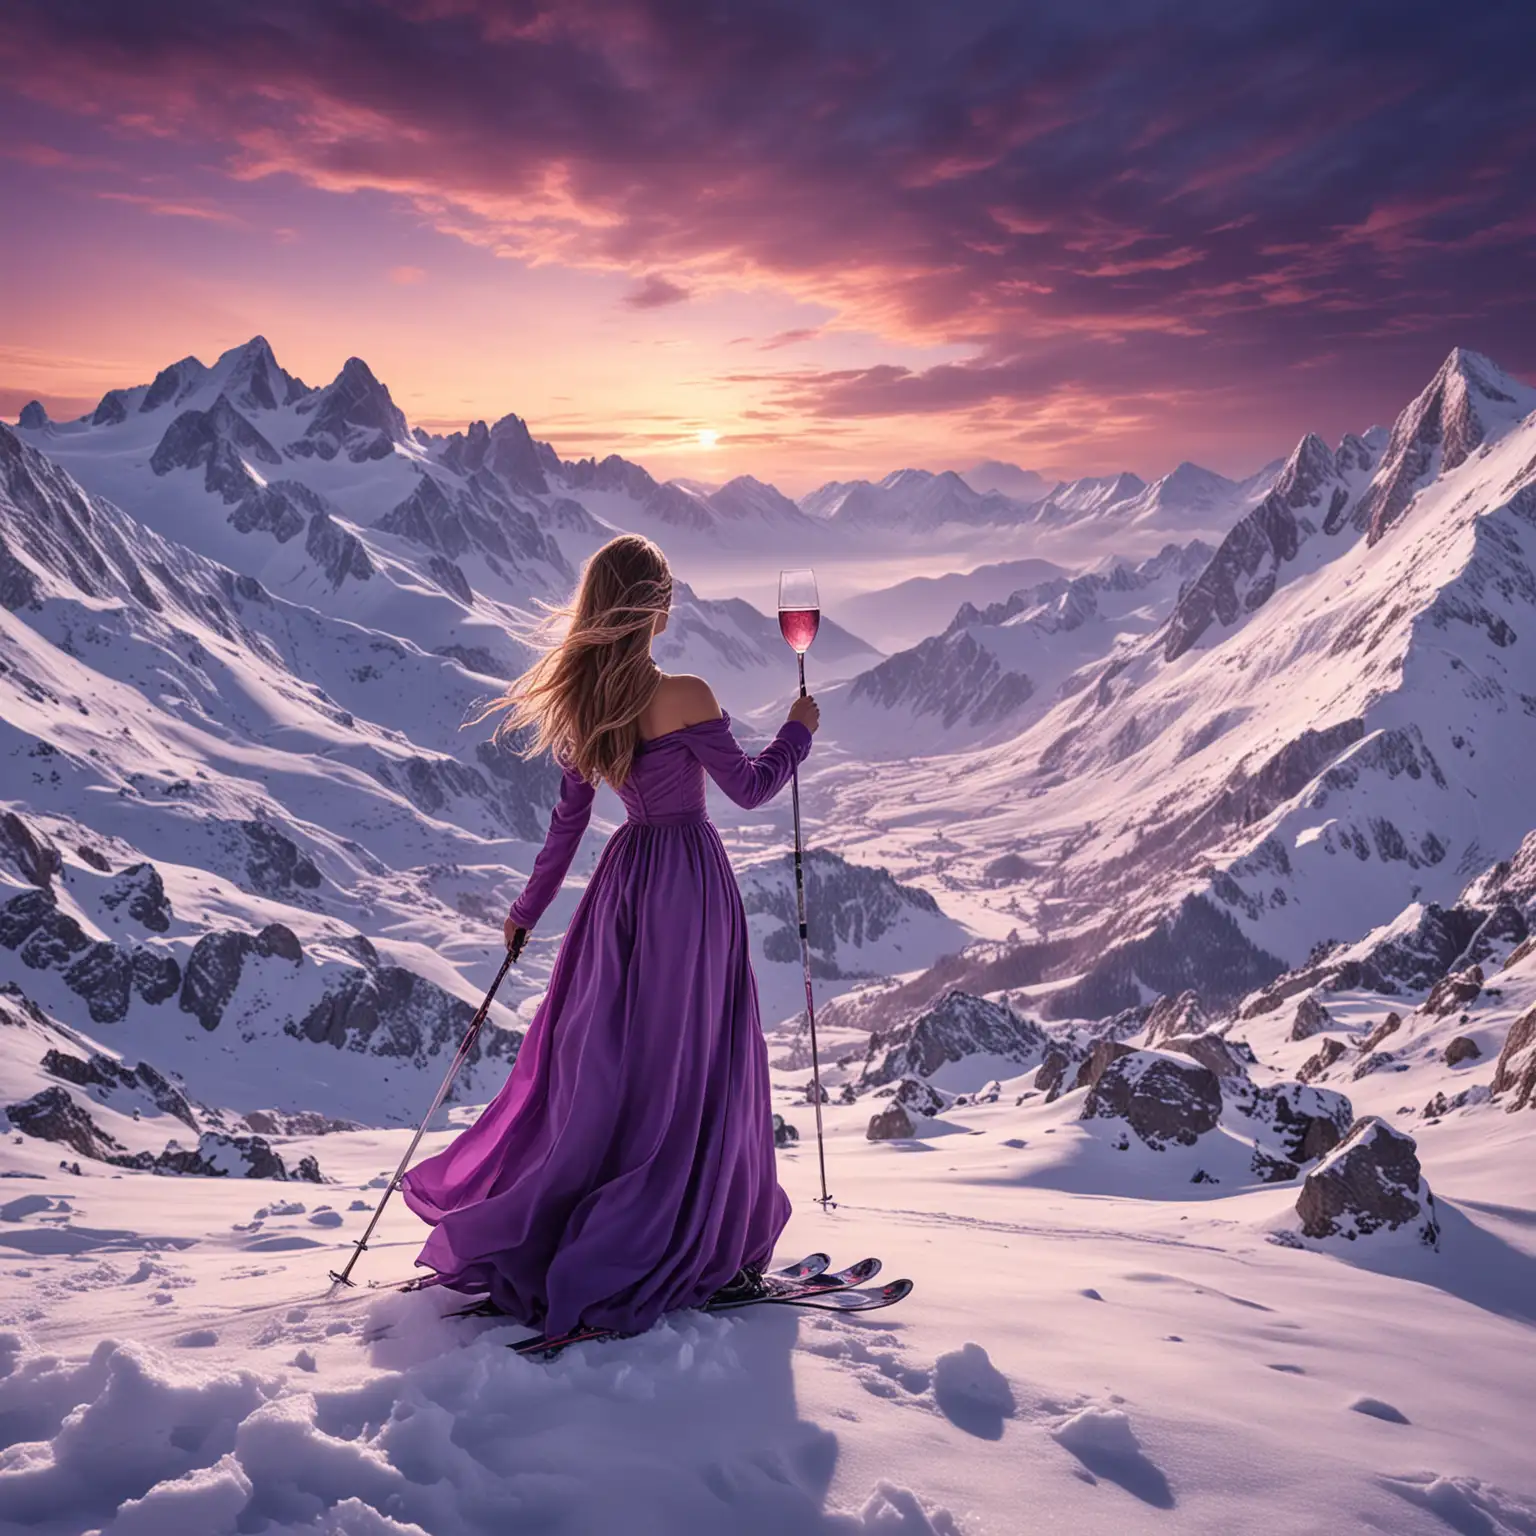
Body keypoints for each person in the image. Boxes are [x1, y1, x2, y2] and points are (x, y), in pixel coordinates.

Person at [401, 533, 820, 1338]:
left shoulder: (588, 704)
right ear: (654, 608)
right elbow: (753, 790)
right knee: (698, 1058)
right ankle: (700, 1231)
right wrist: (798, 728)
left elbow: (567, 826)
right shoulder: (687, 694)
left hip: (624, 889)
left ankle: (583, 1211)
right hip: (690, 891)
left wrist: (526, 911)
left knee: (617, 1066)